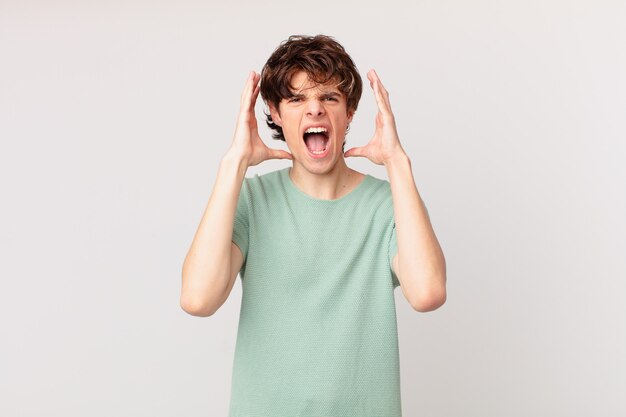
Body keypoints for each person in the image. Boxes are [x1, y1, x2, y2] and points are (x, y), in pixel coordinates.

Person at [180, 34, 447, 417]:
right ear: (274, 111)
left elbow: (427, 294)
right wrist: (233, 163)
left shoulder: (389, 205)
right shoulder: (252, 201)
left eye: (329, 98)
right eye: (296, 99)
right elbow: (198, 299)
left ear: (349, 113)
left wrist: (397, 162)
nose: (314, 110)